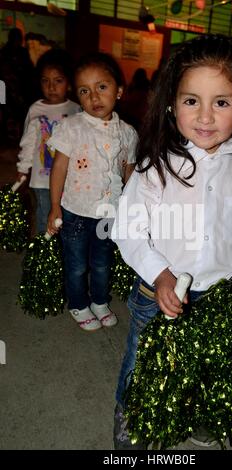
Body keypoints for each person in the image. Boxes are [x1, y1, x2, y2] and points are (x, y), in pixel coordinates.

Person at [111, 34, 232, 449]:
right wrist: (161, 274)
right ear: (171, 103)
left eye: (221, 102)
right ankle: (130, 413)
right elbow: (128, 229)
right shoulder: (154, 169)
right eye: (192, 101)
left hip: (220, 292)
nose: (205, 116)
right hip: (158, 291)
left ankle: (202, 412)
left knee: (208, 362)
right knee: (144, 360)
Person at [46, 52, 138, 332]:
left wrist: (132, 208)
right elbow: (59, 169)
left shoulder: (128, 133)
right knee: (76, 264)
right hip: (75, 210)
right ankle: (78, 302)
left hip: (109, 211)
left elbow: (129, 172)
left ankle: (99, 300)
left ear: (119, 91)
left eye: (102, 87)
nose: (94, 97)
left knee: (102, 262)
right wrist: (54, 206)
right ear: (78, 95)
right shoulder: (71, 127)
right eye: (85, 91)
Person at [16, 48, 80, 233]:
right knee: (45, 214)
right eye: (46, 81)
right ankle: (42, 255)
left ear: (68, 83)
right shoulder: (35, 109)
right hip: (42, 178)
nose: (51, 87)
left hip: (69, 179)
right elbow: (28, 143)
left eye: (58, 81)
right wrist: (22, 169)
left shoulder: (76, 109)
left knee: (66, 217)